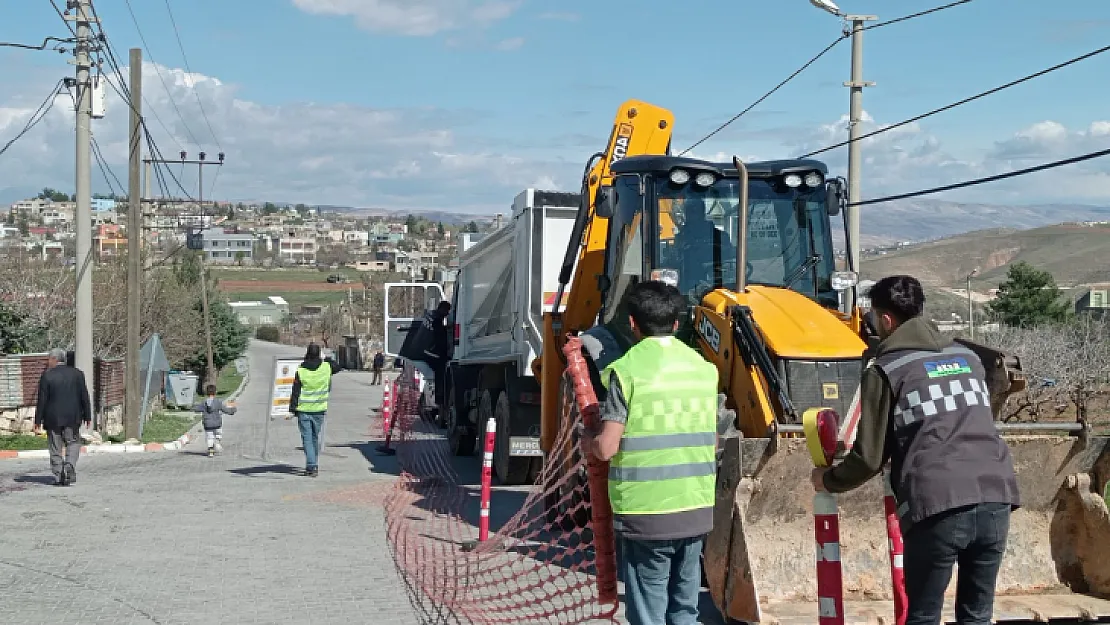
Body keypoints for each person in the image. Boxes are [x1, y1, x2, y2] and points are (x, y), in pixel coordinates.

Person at [811, 275, 1021, 625]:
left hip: (939, 504)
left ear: (887, 320)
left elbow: (869, 458)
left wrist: (829, 480)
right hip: (997, 495)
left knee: (923, 615)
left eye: (875, 319)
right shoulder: (967, 357)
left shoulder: (887, 369)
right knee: (977, 616)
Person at [580, 280, 719, 625]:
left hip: (646, 514)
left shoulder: (627, 372)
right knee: (685, 608)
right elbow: (713, 441)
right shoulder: (704, 370)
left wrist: (588, 441)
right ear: (676, 323)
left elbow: (607, 446)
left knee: (648, 611)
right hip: (696, 509)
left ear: (632, 323)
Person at [32, 348, 92, 487]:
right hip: (73, 417)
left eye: (49, 359)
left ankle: (59, 476)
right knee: (73, 442)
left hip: (52, 418)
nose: (48, 362)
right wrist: (88, 415)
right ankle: (69, 464)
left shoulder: (47, 376)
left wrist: (37, 421)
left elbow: (42, 400)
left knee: (55, 446)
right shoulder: (77, 374)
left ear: (54, 359)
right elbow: (84, 396)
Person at [289, 342, 342, 477]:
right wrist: (326, 358)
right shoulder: (326, 367)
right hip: (319, 409)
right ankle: (313, 464)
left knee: (307, 438)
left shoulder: (301, 370)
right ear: (319, 353)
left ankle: (311, 466)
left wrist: (292, 408)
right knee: (314, 437)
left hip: (304, 409)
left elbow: (295, 391)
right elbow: (338, 367)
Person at [193, 384, 237, 457]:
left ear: (207, 392)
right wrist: (233, 410)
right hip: (217, 423)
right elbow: (225, 410)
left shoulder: (204, 402)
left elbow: (197, 409)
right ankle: (217, 442)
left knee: (209, 437)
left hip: (207, 424)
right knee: (218, 434)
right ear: (215, 392)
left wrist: (193, 406)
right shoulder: (218, 402)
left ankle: (211, 451)